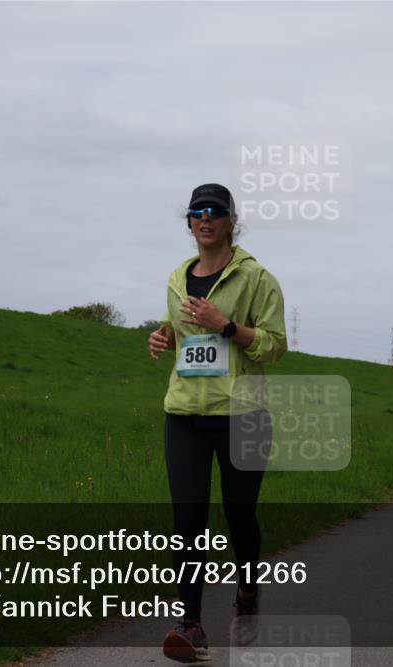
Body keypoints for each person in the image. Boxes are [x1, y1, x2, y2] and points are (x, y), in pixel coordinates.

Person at [149, 183, 287, 662]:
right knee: (188, 519)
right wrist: (163, 337)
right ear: (188, 222)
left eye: (214, 212)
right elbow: (183, 331)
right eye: (196, 212)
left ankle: (247, 594)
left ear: (231, 221)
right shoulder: (175, 277)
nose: (204, 219)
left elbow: (273, 344)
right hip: (184, 412)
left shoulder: (257, 278)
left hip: (242, 414)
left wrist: (225, 325)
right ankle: (190, 625)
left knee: (239, 516)